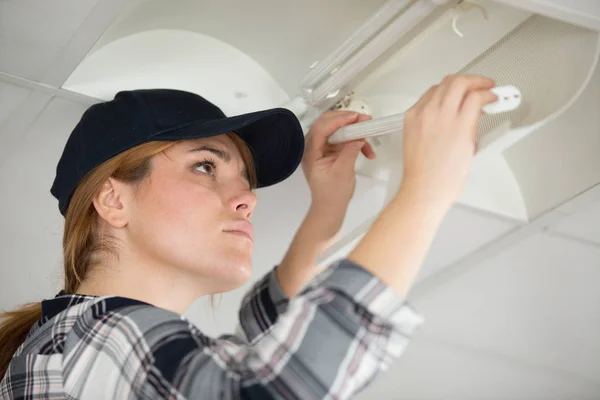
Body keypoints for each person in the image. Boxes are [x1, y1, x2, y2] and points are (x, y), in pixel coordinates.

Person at [0, 74, 496, 399]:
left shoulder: (71, 345)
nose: (247, 199)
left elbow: (251, 358)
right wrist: (425, 192)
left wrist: (327, 209)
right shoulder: (96, 340)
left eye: (245, 180)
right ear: (112, 200)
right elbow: (272, 387)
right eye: (205, 166)